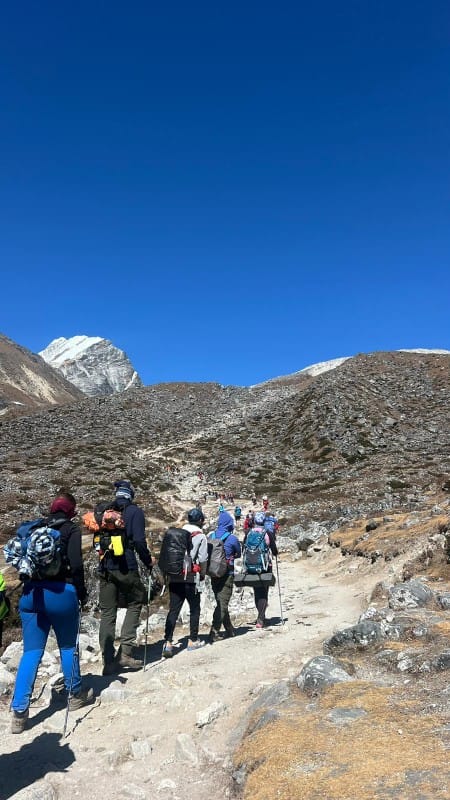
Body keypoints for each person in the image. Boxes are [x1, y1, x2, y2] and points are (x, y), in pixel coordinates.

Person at [10, 492, 93, 733]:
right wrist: (81, 593)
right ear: (71, 510)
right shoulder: (71, 530)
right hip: (61, 594)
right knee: (67, 647)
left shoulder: (37, 528)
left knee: (31, 652)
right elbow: (76, 565)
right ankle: (75, 693)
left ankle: (19, 713)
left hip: (31, 595)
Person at [98, 480, 153, 675]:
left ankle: (107, 660)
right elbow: (138, 541)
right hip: (126, 566)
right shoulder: (134, 512)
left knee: (107, 613)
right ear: (131, 495)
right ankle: (126, 653)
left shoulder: (105, 512)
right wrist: (148, 562)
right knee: (136, 601)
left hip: (104, 566)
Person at [162, 508, 208, 657]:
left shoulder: (177, 533)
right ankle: (193, 640)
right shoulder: (200, 536)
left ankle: (168, 643)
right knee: (194, 608)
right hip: (190, 578)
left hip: (175, 577)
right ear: (200, 520)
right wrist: (202, 574)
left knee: (173, 609)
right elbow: (202, 559)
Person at [208, 511, 241, 643]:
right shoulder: (232, 538)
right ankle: (214, 631)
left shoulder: (211, 535)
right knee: (223, 602)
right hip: (227, 574)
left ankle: (229, 628)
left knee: (220, 601)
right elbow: (238, 553)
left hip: (213, 573)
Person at [243, 511, 278, 629]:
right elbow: (274, 550)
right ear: (264, 521)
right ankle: (261, 619)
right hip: (265, 567)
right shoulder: (267, 533)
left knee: (257, 591)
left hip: (251, 566)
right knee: (264, 591)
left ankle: (260, 616)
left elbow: (244, 547)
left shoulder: (248, 533)